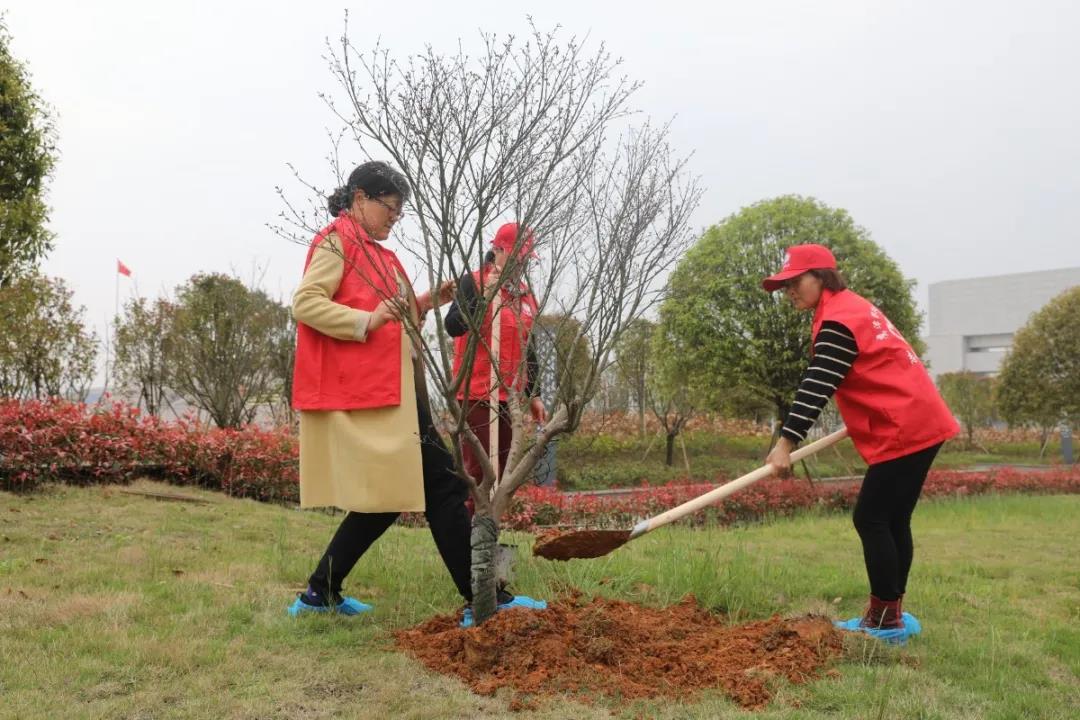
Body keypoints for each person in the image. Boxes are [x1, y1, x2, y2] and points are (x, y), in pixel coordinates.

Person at [287, 161, 470, 616]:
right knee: (443, 486)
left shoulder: (375, 252)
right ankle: (483, 598)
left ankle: (319, 593)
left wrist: (428, 301)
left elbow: (392, 314)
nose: (394, 216)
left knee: (389, 497)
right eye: (389, 206)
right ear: (359, 199)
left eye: (399, 210)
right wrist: (366, 321)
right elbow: (306, 303)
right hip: (373, 393)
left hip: (395, 390)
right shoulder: (339, 240)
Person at [762, 244, 959, 643]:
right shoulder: (853, 308)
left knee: (870, 518)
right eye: (784, 287)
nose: (789, 292)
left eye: (795, 282)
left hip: (905, 425)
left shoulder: (838, 320)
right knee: (892, 519)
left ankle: (885, 623)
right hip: (920, 419)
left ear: (821, 277)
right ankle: (893, 615)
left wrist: (785, 442)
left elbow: (817, 385)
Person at [444, 223, 547, 497]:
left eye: (524, 258)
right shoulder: (474, 283)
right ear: (497, 250)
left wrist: (534, 393)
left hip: (509, 397)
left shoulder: (525, 295)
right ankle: (470, 537)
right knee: (478, 474)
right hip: (476, 394)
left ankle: (490, 534)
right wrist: (486, 295)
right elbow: (453, 325)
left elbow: (529, 347)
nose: (519, 263)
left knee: (503, 473)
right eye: (514, 255)